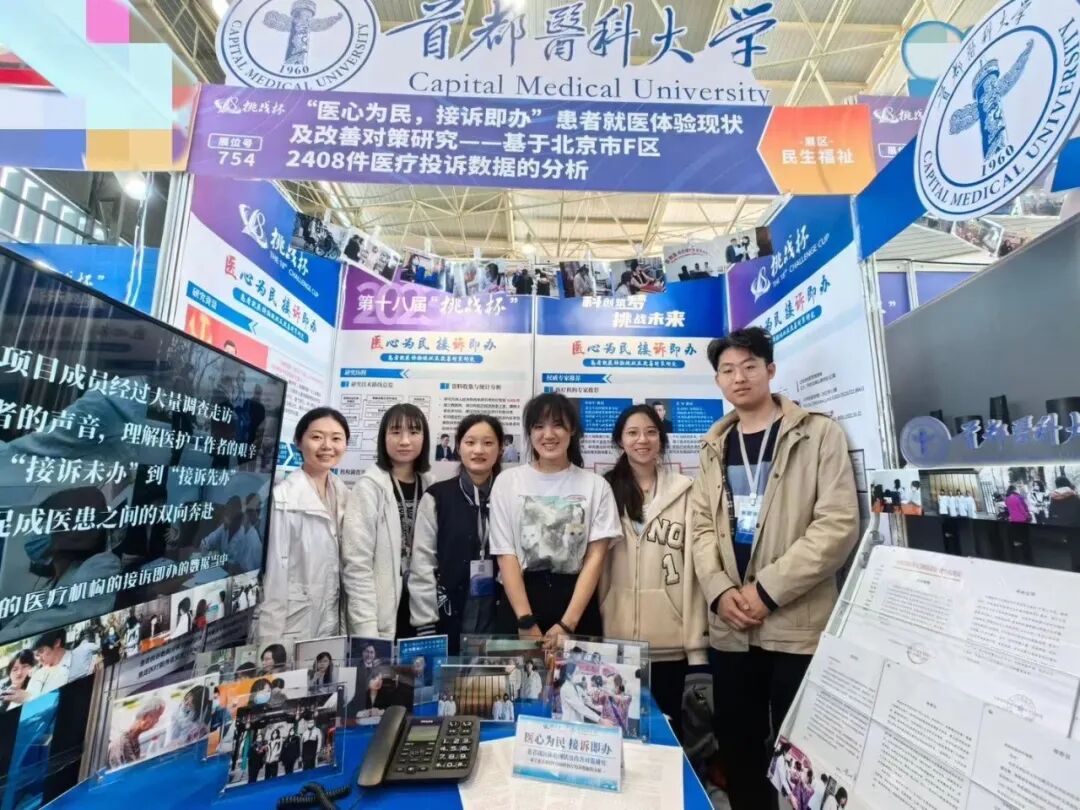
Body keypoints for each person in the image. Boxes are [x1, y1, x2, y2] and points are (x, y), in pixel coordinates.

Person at [690, 327, 858, 810]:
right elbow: (701, 528)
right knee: (739, 747)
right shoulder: (714, 445)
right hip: (731, 629)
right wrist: (720, 591)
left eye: (749, 366)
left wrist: (765, 593)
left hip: (795, 626)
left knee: (804, 757)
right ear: (718, 381)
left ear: (770, 370)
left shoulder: (818, 434)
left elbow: (837, 525)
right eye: (727, 370)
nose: (738, 377)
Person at [598, 404, 708, 741]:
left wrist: (696, 648)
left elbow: (697, 569)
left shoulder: (687, 491)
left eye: (650, 432)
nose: (642, 440)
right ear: (620, 441)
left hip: (670, 644)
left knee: (668, 739)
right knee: (619, 737)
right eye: (632, 433)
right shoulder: (603, 490)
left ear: (661, 438)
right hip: (615, 644)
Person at [490, 393, 622, 645]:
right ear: (530, 432)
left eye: (558, 425)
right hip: (519, 604)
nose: (548, 435)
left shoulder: (596, 486)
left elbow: (595, 558)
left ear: (572, 430)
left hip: (576, 606)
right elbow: (505, 553)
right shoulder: (507, 482)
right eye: (539, 426)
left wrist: (567, 624)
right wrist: (525, 621)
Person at [411, 414, 505, 654]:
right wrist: (425, 624)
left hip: (499, 619)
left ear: (500, 449)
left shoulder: (509, 497)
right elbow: (422, 565)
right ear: (458, 447)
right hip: (447, 618)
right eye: (470, 442)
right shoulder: (437, 497)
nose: (478, 450)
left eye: (488, 443)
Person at [256, 408, 350, 645]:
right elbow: (274, 576)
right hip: (292, 624)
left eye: (336, 438)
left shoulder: (345, 495)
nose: (327, 446)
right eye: (317, 437)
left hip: (332, 621)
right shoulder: (282, 499)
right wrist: (269, 642)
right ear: (299, 441)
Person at [343, 403, 434, 640]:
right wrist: (366, 628)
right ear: (383, 437)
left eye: (414, 432)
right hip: (381, 614)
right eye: (395, 432)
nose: (405, 441)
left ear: (424, 438)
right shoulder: (369, 487)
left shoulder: (431, 485)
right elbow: (357, 563)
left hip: (423, 609)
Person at [199, 495, 262, 574]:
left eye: (230, 515)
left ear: (239, 516)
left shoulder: (250, 538)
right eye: (226, 514)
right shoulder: (225, 527)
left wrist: (222, 563)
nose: (225, 519)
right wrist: (209, 555)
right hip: (221, 574)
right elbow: (205, 543)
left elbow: (246, 572)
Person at [107, 696, 166, 768]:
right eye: (156, 717)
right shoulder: (122, 744)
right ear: (145, 716)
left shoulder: (134, 739)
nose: (157, 721)